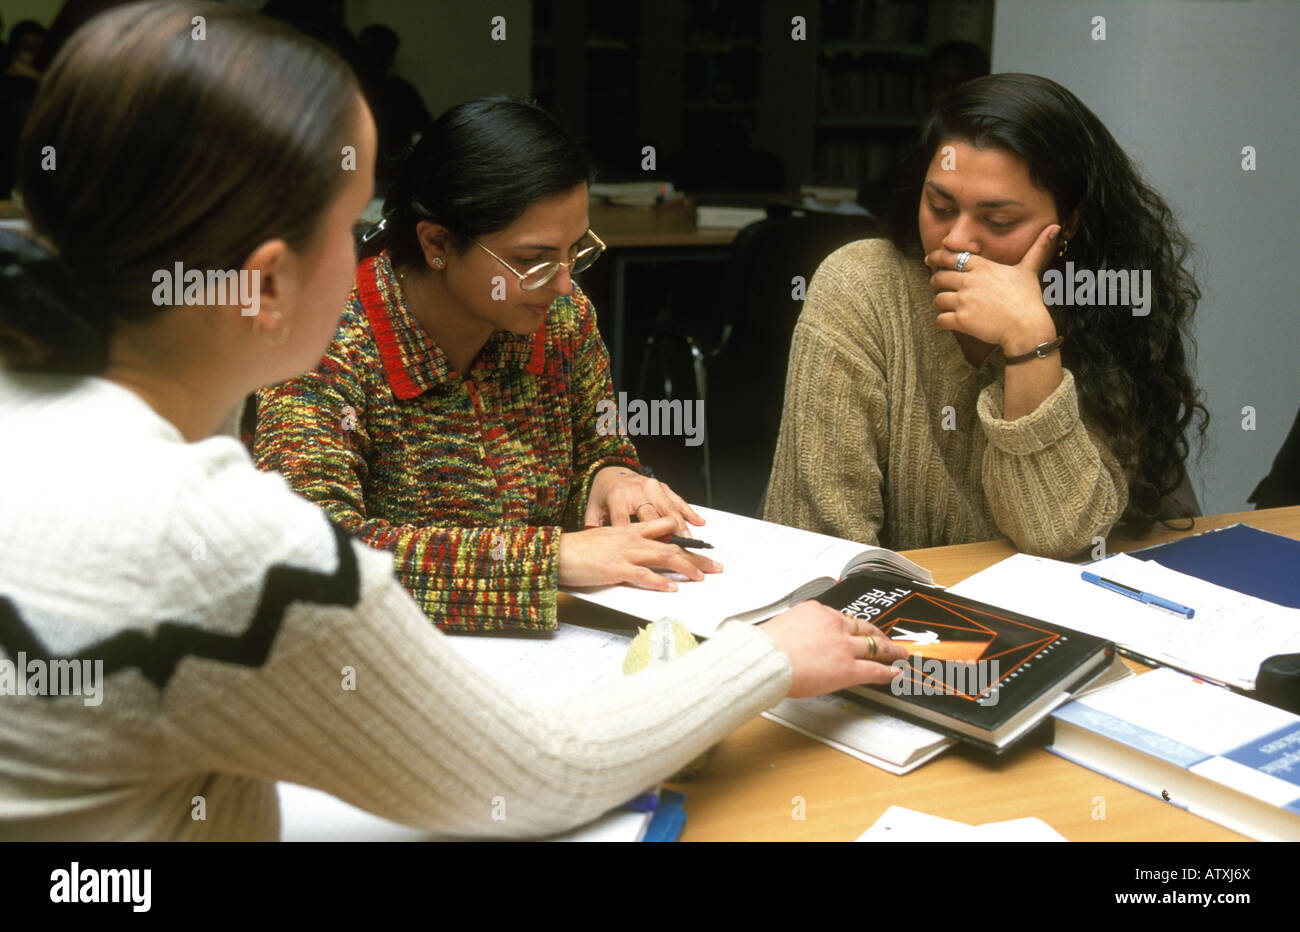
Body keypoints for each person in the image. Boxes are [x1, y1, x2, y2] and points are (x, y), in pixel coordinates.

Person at [0, 0, 905, 842]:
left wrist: (609, 473)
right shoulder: (221, 537)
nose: (368, 249)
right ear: (271, 282)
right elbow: (541, 772)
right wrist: (765, 655)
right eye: (352, 221)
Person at [254, 97, 714, 633]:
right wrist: (551, 560)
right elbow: (308, 555)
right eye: (532, 260)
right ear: (438, 243)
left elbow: (598, 444)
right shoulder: (323, 343)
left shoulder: (560, 317)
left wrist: (613, 475)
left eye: (574, 251)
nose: (564, 282)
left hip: (560, 642)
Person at [765, 73, 1207, 559]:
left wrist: (1029, 341)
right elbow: (815, 546)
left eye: (998, 221)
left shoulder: (1097, 305)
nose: (955, 240)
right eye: (940, 205)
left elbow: (1064, 538)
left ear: (1070, 223)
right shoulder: (863, 285)